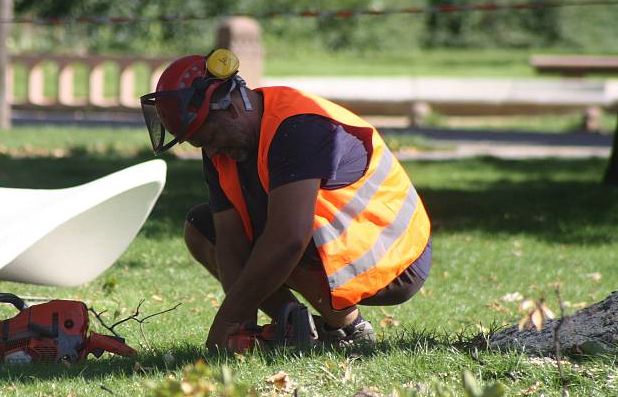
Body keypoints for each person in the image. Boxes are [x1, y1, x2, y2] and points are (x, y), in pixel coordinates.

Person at [140, 49, 432, 350]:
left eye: (209, 138)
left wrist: (226, 321)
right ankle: (295, 327)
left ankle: (347, 329)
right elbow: (229, 238)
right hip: (333, 243)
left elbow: (289, 238)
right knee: (202, 228)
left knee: (283, 234)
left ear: (229, 108)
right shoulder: (220, 145)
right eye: (200, 144)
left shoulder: (297, 126)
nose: (211, 152)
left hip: (395, 256)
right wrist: (242, 326)